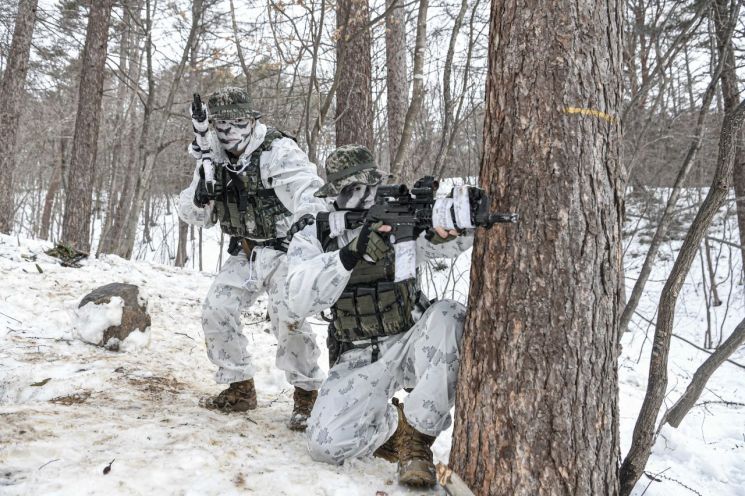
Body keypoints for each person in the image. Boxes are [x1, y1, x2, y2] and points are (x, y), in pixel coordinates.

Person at [284, 145, 476, 487]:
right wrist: (350, 255)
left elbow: (442, 246)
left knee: (449, 315)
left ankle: (416, 440)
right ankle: (391, 426)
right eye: (355, 191)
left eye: (371, 189)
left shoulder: (398, 217)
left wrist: (454, 225)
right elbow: (296, 298)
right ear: (336, 196)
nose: (366, 198)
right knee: (324, 445)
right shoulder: (315, 234)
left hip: (411, 338)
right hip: (358, 354)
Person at [177, 87, 326, 431]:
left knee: (286, 316)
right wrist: (200, 197)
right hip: (245, 251)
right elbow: (196, 217)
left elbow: (309, 189)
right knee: (217, 308)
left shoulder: (277, 151)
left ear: (253, 120)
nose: (230, 132)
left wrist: (310, 221)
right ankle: (239, 386)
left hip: (286, 249)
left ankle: (307, 394)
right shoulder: (211, 158)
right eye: (222, 124)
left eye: (239, 123)